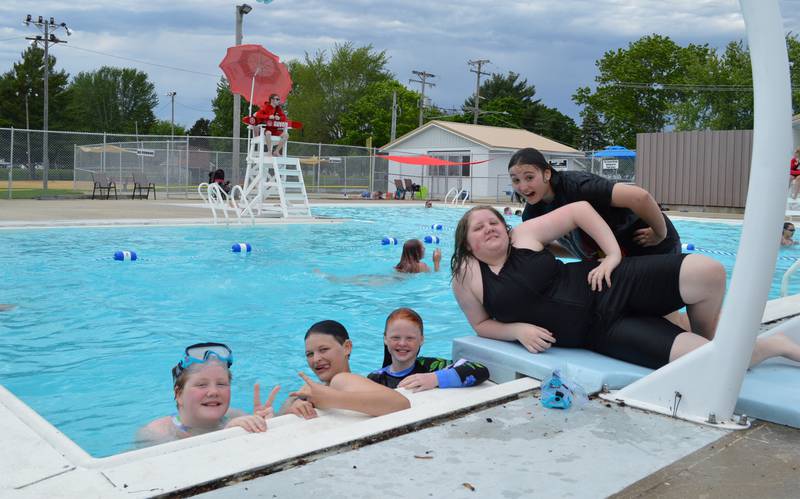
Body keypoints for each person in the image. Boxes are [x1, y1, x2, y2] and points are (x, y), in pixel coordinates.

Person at [450, 204, 800, 370]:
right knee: (710, 362)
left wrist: (613, 255)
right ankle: (776, 346)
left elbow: (581, 211)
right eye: (478, 227)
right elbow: (480, 325)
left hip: (611, 284)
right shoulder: (466, 276)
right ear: (466, 243)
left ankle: (707, 332)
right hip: (603, 331)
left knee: (708, 271)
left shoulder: (523, 236)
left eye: (493, 221)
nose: (489, 228)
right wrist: (516, 330)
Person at [510, 147, 680, 260]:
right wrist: (589, 257)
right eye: (516, 180)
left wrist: (659, 233)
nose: (523, 186)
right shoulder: (532, 214)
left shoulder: (579, 186)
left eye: (529, 177)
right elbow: (549, 247)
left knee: (661, 311)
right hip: (616, 257)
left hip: (654, 246)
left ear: (547, 174)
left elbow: (640, 197)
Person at [136, 342, 279, 447]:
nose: (213, 392)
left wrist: (266, 425)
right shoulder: (157, 433)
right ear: (179, 395)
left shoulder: (236, 416)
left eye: (221, 384)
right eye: (201, 385)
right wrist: (227, 435)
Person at [282, 320, 411, 419]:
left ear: (347, 347)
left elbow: (400, 404)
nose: (316, 359)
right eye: (309, 354)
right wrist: (293, 406)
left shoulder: (341, 379)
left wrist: (330, 398)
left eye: (324, 350)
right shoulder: (316, 390)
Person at [368, 307, 490, 391]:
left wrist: (435, 378)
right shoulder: (376, 378)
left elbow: (481, 371)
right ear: (385, 339)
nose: (402, 343)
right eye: (395, 337)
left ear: (421, 340)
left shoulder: (431, 367)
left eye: (410, 338)